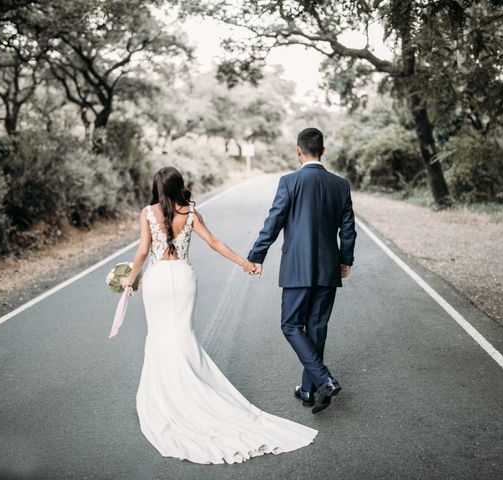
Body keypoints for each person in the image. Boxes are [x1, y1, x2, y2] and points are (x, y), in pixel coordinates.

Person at [120, 166, 317, 464]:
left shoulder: (148, 213)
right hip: (183, 279)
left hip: (157, 280)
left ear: (156, 188)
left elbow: (143, 251)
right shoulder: (191, 214)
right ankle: (190, 388)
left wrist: (130, 279)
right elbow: (213, 242)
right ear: (178, 186)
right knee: (182, 335)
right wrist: (243, 262)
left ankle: (168, 395)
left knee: (160, 336)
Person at [247, 127, 357, 414]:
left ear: (298, 151)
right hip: (328, 270)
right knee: (317, 328)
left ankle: (324, 380)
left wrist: (257, 255)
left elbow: (273, 222)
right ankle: (309, 391)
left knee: (291, 325)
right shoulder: (340, 185)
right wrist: (346, 261)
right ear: (323, 150)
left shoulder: (289, 182)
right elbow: (348, 230)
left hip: (297, 269)